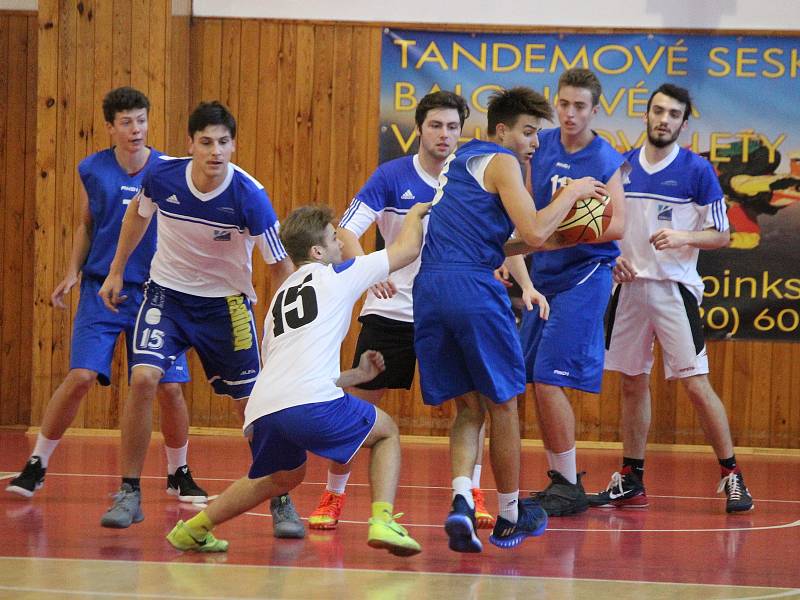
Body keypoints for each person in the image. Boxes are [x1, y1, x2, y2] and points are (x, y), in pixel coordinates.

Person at [166, 202, 430, 556]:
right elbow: (408, 249)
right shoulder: (338, 273)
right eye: (335, 239)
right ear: (318, 251)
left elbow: (292, 364)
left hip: (264, 407)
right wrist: (414, 214)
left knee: (281, 477)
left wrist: (356, 375)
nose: (342, 245)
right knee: (386, 433)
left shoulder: (280, 299)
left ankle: (194, 529)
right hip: (306, 401)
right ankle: (382, 520)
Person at [414, 86, 608, 552]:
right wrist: (576, 191)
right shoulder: (501, 161)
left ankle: (462, 499)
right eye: (528, 132)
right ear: (501, 130)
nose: (535, 143)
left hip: (431, 288)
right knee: (504, 404)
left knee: (468, 408)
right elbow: (536, 230)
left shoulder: (459, 163)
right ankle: (508, 515)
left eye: (538, 135)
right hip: (471, 288)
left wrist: (562, 238)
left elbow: (502, 243)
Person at [97, 101, 299, 534]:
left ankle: (281, 497)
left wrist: (294, 325)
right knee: (145, 378)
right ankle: (129, 492)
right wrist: (116, 270)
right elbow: (137, 213)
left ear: (233, 145)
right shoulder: (162, 175)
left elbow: (282, 268)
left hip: (225, 306)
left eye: (223, 142)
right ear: (190, 144)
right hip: (166, 297)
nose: (215, 151)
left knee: (254, 404)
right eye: (206, 142)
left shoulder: (250, 196)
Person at [6, 87, 205, 504]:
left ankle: (178, 471)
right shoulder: (92, 169)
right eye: (127, 121)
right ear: (111, 126)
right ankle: (38, 462)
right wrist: (72, 271)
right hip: (102, 288)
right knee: (79, 377)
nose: (136, 129)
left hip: (157, 294)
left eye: (142, 120)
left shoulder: (170, 170)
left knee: (168, 388)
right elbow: (87, 223)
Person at [308, 91, 494, 531]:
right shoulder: (391, 176)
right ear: (419, 129)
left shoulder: (471, 178)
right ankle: (333, 494)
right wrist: (369, 273)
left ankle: (470, 493)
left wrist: (521, 282)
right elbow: (346, 231)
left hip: (448, 310)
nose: (445, 134)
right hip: (390, 311)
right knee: (358, 404)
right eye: (436, 125)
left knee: (472, 405)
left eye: (453, 126)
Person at [588, 83, 753, 513]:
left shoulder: (697, 171)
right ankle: (631, 478)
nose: (664, 119)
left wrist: (683, 235)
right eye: (658, 111)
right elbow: (602, 226)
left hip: (673, 290)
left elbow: (722, 234)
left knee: (696, 384)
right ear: (646, 115)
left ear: (683, 122)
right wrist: (611, 259)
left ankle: (733, 476)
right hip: (628, 291)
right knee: (630, 383)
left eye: (673, 114)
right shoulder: (620, 167)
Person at [505, 67, 626, 517]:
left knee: (549, 377)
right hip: (543, 278)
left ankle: (570, 484)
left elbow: (618, 225)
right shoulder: (541, 147)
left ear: (595, 110)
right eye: (564, 104)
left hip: (585, 276)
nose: (570, 113)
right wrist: (512, 248)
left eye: (579, 106)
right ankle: (560, 478)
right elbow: (527, 210)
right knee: (527, 375)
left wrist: (562, 234)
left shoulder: (604, 158)